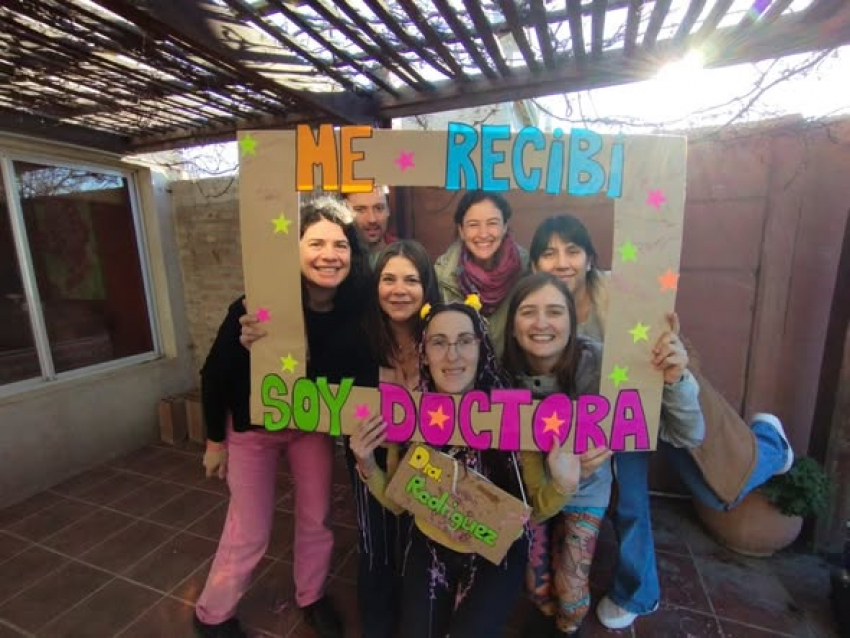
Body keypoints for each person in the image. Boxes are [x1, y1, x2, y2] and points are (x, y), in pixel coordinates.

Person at [529, 214, 795, 630]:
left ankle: (772, 444)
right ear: (534, 265)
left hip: (648, 403)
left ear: (590, 258)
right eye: (549, 253)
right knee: (626, 499)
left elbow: (661, 357)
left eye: (572, 251)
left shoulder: (619, 293)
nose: (561, 262)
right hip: (589, 421)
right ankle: (639, 591)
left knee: (712, 489)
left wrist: (670, 364)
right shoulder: (535, 303)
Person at [350, 298, 605, 638]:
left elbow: (533, 513)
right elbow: (399, 502)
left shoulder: (514, 418)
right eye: (438, 342)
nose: (452, 355)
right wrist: (367, 463)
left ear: (481, 347)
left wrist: (563, 484)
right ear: (424, 353)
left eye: (464, 341)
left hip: (497, 552)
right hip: (429, 545)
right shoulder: (410, 416)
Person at [193, 197, 374, 638]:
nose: (329, 255)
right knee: (249, 529)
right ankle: (212, 614)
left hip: (309, 429)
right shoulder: (254, 307)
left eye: (339, 244)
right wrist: (215, 442)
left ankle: (312, 596)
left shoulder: (356, 311)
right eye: (316, 243)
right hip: (252, 432)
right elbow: (214, 374)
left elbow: (361, 376)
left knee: (316, 518)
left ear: (352, 253)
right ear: (294, 249)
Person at [502, 272, 705, 637]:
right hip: (531, 494)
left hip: (585, 490)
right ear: (513, 327)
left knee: (571, 596)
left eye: (554, 311)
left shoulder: (607, 366)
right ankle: (546, 617)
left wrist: (675, 380)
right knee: (536, 590)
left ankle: (566, 627)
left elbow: (688, 432)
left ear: (572, 322)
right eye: (529, 312)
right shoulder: (500, 372)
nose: (542, 322)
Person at [348, 240, 441, 638]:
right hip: (367, 454)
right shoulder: (357, 338)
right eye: (388, 279)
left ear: (426, 287)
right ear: (376, 287)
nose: (399, 290)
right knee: (376, 544)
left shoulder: (442, 336)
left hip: (428, 460)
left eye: (411, 280)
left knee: (420, 544)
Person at [434, 191, 529, 357]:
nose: (483, 234)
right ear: (461, 230)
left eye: (492, 223)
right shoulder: (442, 276)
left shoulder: (526, 270)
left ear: (505, 226)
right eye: (473, 225)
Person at [344, 186, 397, 268]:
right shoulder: (337, 257)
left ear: (388, 210)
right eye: (360, 210)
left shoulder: (405, 255)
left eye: (379, 208)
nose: (372, 219)